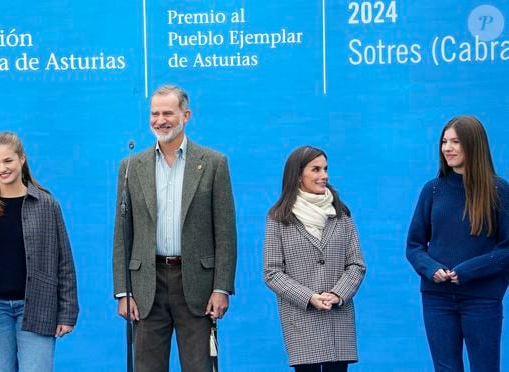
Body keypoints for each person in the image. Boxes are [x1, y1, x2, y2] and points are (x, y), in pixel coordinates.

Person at [112, 84, 237, 372]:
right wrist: (123, 291)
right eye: (154, 113)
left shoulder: (214, 163)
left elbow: (226, 232)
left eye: (168, 112)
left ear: (186, 115)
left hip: (196, 286)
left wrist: (221, 288)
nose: (160, 120)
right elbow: (122, 234)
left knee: (199, 367)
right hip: (145, 286)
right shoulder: (131, 166)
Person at [0, 131, 79, 372]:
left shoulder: (47, 204)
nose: (2, 168)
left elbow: (64, 261)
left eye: (8, 160)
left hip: (37, 306)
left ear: (21, 159)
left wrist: (67, 312)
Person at [406, 115, 509, 372]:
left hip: (482, 299)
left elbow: (507, 249)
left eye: (455, 142)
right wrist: (431, 269)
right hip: (436, 298)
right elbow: (414, 245)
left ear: (473, 145)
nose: (447, 148)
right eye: (444, 141)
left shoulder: (498, 190)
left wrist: (468, 270)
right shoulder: (432, 190)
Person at [263, 146, 366, 372]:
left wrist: (338, 294)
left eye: (326, 169)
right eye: (316, 169)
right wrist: (309, 297)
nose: (324, 175)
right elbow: (272, 273)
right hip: (301, 317)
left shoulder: (341, 214)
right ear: (298, 175)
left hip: (338, 317)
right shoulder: (278, 218)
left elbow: (356, 264)